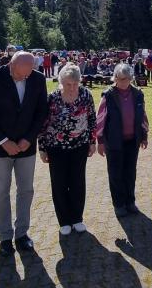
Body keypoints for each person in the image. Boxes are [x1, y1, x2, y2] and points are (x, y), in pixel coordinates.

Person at [0, 51, 48, 257]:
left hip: (26, 146)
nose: (24, 78)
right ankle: (5, 237)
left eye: (28, 74)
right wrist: (3, 141)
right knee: (0, 192)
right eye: (20, 74)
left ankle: (22, 234)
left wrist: (29, 138)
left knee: (26, 190)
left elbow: (41, 111)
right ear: (11, 65)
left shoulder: (38, 78)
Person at [39, 64, 96, 236]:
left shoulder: (86, 95)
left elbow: (92, 119)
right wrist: (42, 148)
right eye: (67, 84)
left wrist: (92, 142)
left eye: (75, 84)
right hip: (55, 147)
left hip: (80, 146)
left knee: (78, 182)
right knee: (59, 183)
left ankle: (77, 218)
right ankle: (64, 221)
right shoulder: (53, 98)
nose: (71, 87)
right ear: (61, 82)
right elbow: (43, 124)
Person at [96, 63, 149, 218]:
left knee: (130, 173)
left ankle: (130, 202)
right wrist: (100, 141)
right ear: (115, 78)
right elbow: (100, 119)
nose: (122, 82)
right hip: (113, 142)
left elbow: (143, 116)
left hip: (132, 141)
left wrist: (144, 136)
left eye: (125, 79)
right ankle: (119, 204)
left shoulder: (138, 94)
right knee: (115, 174)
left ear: (131, 78)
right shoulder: (108, 95)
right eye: (119, 79)